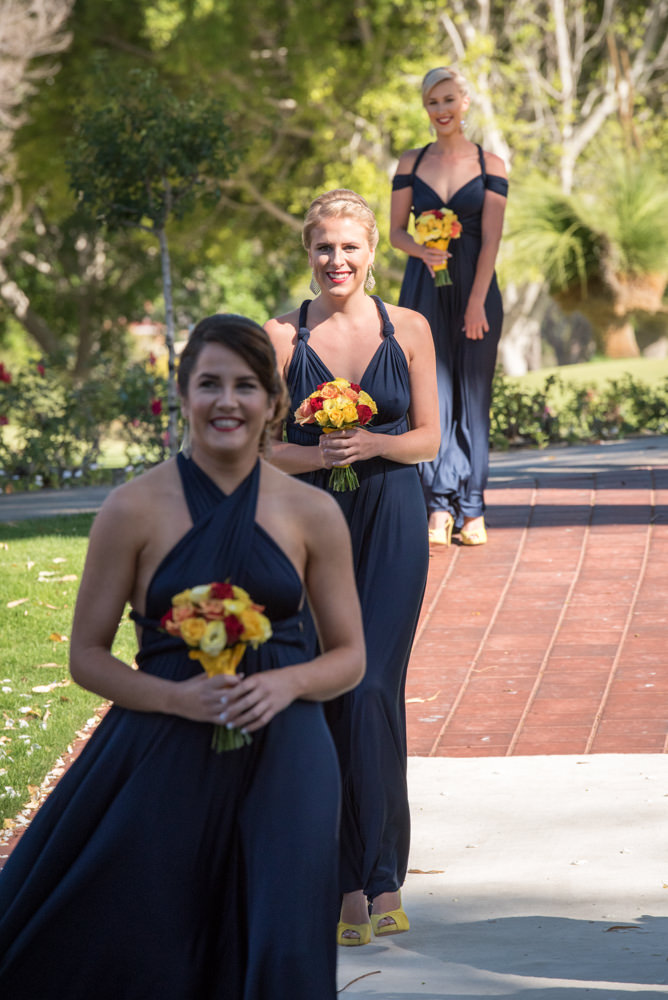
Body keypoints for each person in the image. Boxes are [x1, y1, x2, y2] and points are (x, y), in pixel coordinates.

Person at [0, 315, 365, 999]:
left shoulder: (311, 514)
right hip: (164, 743)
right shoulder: (131, 509)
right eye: (209, 385)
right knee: (155, 940)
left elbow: (349, 657)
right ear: (183, 395)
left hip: (288, 747)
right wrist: (175, 697)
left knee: (285, 943)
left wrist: (287, 684)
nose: (227, 401)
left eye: (246, 386)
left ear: (272, 403)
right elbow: (86, 656)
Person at [265, 189, 439, 946]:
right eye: (323, 248)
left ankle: (382, 873)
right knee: (332, 687)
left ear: (373, 251)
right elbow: (262, 447)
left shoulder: (411, 328)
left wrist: (371, 445)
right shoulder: (279, 338)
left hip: (393, 513)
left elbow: (429, 438)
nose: (336, 261)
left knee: (374, 687)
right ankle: (344, 879)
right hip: (311, 523)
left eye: (349, 248)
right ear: (308, 253)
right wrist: (318, 453)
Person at [390, 66, 508, 546]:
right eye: (432, 102)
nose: (441, 110)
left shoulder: (491, 164)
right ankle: (438, 506)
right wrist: (422, 248)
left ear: (465, 103)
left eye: (448, 100)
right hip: (423, 290)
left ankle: (473, 505)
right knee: (430, 394)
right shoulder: (410, 163)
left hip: (475, 290)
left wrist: (477, 302)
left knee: (473, 399)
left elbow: (492, 242)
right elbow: (396, 231)